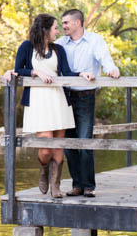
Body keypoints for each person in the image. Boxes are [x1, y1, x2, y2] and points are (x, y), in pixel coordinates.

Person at [10, 13, 94, 198]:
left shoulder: (58, 50)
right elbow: (18, 70)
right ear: (45, 30)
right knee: (46, 144)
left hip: (58, 100)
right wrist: (35, 71)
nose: (58, 31)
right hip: (38, 102)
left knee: (58, 146)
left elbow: (66, 72)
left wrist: (81, 74)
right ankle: (44, 169)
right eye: (55, 27)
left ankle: (55, 185)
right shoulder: (26, 47)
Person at [57, 9, 120, 197]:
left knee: (84, 141)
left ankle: (88, 186)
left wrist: (111, 69)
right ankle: (77, 185)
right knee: (69, 144)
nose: (64, 27)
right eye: (62, 23)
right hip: (65, 96)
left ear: (78, 23)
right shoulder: (60, 43)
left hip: (85, 96)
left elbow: (104, 58)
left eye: (67, 23)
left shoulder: (95, 40)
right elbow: (45, 59)